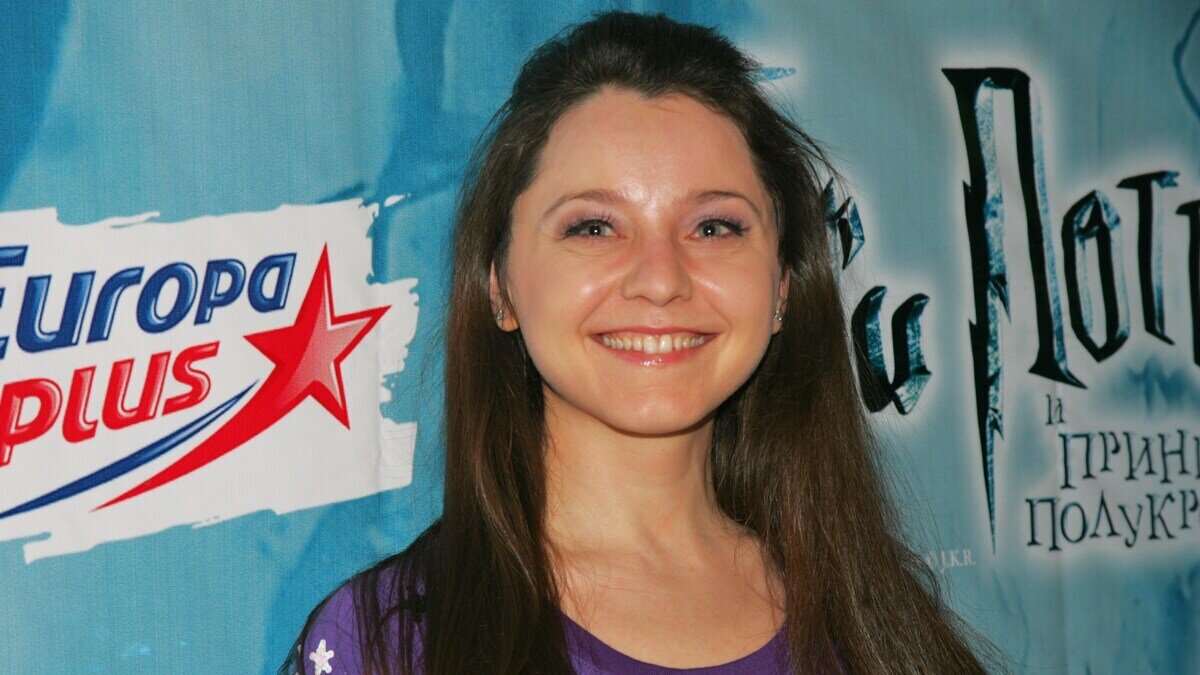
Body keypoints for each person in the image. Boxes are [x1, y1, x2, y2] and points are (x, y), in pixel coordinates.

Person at [283, 10, 1004, 674]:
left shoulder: (877, 626)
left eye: (714, 227)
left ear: (783, 285)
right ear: (499, 285)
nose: (660, 280)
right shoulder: (389, 641)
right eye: (593, 227)